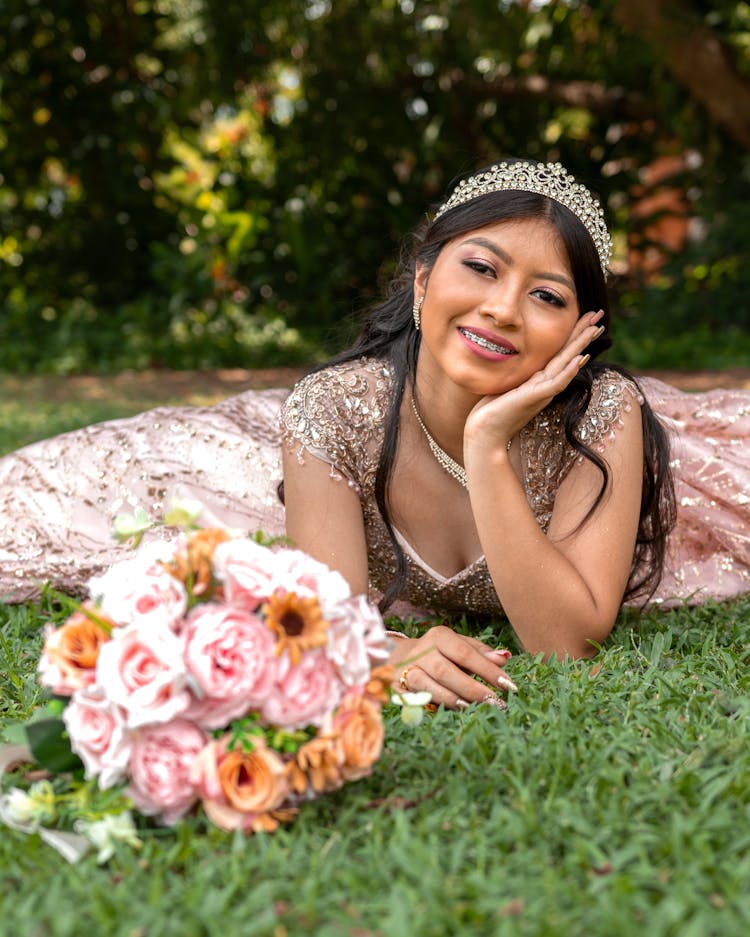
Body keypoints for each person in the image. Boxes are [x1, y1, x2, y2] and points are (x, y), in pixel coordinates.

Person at [1, 159, 748, 710]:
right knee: (83, 497)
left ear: (583, 330)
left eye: (547, 295)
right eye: (480, 267)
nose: (503, 309)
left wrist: (488, 447)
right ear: (422, 282)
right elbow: (332, 621)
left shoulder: (604, 416)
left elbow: (566, 640)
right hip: (331, 443)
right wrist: (387, 652)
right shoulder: (332, 411)